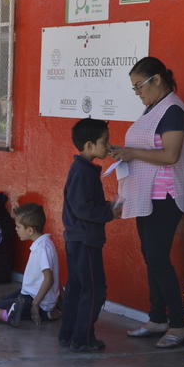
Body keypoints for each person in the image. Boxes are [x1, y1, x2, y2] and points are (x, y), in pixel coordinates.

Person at [109, 57, 184, 349]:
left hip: (165, 198)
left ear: (157, 79)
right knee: (150, 257)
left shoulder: (174, 111)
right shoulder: (152, 108)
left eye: (139, 86)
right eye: (134, 89)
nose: (138, 93)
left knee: (157, 259)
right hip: (145, 196)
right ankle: (157, 318)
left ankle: (178, 325)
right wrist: (124, 153)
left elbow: (170, 156)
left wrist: (132, 153)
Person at [58, 118, 119, 353]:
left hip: (78, 239)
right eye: (105, 142)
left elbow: (84, 203)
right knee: (94, 290)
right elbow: (83, 208)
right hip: (85, 240)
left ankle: (68, 334)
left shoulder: (83, 169)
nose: (108, 146)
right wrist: (109, 212)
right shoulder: (83, 172)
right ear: (89, 145)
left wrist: (106, 208)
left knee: (76, 287)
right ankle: (83, 338)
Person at [0, 203, 61, 327]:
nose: (16, 229)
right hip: (28, 293)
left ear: (30, 230)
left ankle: (45, 313)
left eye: (18, 226)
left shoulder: (43, 248)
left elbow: (49, 279)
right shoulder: (43, 244)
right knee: (1, 302)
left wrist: (35, 305)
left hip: (36, 300)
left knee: (2, 307)